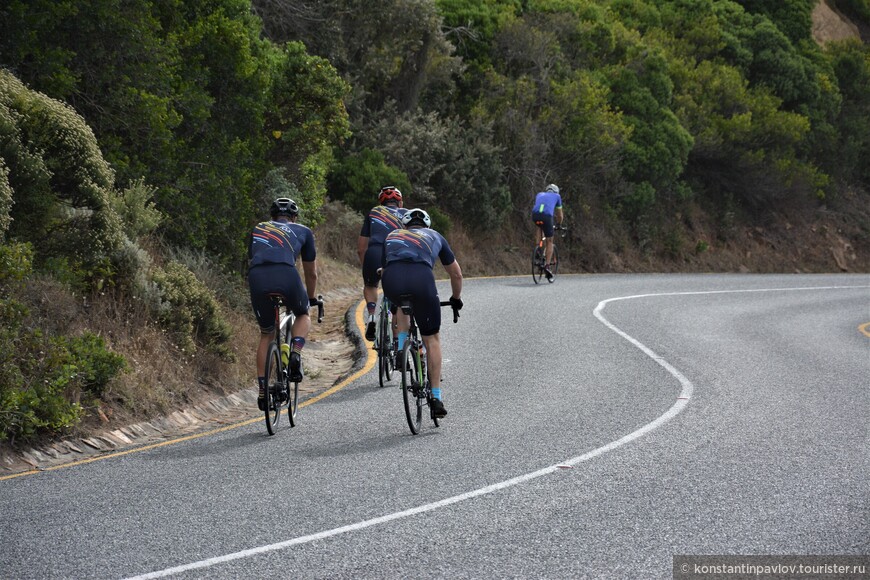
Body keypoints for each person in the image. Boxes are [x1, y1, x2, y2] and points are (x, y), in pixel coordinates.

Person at [381, 208, 463, 419]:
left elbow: (385, 265)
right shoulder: (435, 235)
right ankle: (435, 397)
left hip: (392, 278)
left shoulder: (393, 235)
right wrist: (456, 298)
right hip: (422, 279)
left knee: (400, 303)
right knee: (432, 338)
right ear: (426, 225)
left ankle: (400, 347)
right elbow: (456, 273)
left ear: (405, 226)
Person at [247, 198, 318, 411]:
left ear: (272, 217)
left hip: (258, 276)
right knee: (303, 314)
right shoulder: (303, 231)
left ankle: (262, 392)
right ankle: (295, 352)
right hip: (286, 274)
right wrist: (311, 298)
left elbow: (254, 256)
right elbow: (311, 273)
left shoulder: (259, 228)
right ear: (294, 217)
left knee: (266, 334)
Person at [358, 186, 407, 341]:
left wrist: (366, 267)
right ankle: (398, 342)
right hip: (396, 253)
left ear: (382, 202)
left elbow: (361, 248)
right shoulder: (406, 214)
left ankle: (371, 315)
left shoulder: (374, 212)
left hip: (374, 252)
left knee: (371, 285)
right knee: (399, 299)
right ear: (399, 202)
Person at [531, 183, 563, 281]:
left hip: (535, 215)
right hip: (547, 217)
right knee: (549, 241)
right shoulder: (557, 196)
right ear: (556, 191)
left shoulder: (539, 194)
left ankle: (538, 249)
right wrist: (559, 224)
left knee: (539, 227)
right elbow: (560, 215)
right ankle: (547, 266)